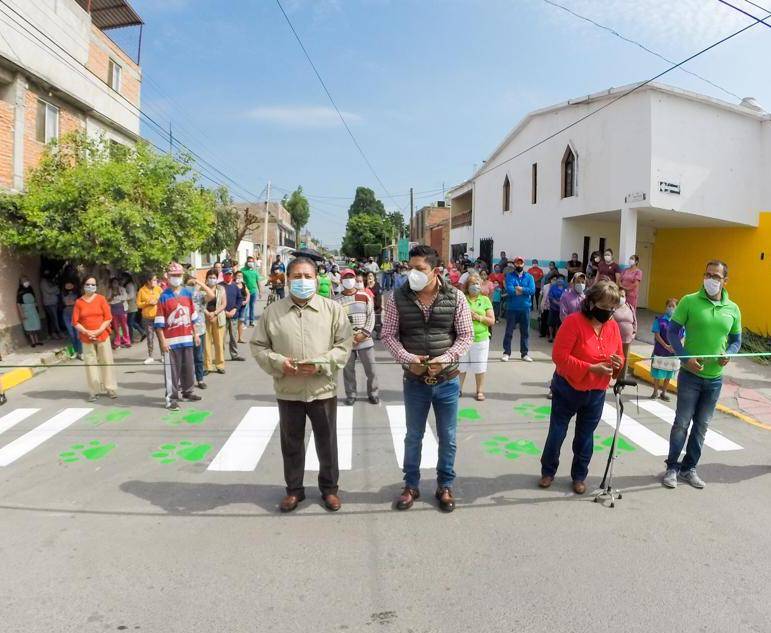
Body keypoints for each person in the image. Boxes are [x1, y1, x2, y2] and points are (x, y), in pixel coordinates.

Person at [252, 255, 353, 513]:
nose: (303, 281)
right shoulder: (273, 312)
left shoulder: (332, 310)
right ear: (287, 280)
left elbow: (344, 346)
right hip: (289, 390)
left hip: (322, 389)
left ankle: (329, 490)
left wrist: (321, 363)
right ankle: (294, 491)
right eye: (297, 276)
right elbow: (259, 346)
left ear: (316, 278)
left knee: (327, 442)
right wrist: (277, 363)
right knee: (292, 442)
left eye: (308, 276)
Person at [381, 245, 473, 513]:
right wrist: (408, 358)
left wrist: (446, 358)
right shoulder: (398, 297)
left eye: (420, 269)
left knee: (448, 436)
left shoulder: (455, 296)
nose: (413, 274)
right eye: (411, 268)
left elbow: (466, 335)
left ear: (435, 270)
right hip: (415, 381)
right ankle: (411, 485)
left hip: (447, 379)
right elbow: (388, 335)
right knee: (413, 436)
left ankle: (445, 485)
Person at [662, 260, 742, 490]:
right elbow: (672, 331)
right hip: (690, 375)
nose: (710, 279)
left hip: (715, 378)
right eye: (707, 274)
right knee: (681, 423)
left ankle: (689, 468)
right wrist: (685, 357)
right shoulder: (689, 301)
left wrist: (730, 353)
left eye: (716, 276)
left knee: (702, 426)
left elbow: (736, 340)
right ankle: (671, 468)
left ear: (725, 281)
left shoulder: (733, 309)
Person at [539, 280, 624, 494]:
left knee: (586, 437)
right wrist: (590, 368)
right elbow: (559, 357)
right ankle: (548, 471)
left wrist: (617, 363)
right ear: (591, 302)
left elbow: (620, 355)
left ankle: (579, 476)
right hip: (567, 388)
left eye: (612, 308)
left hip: (596, 392)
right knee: (557, 433)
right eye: (604, 307)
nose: (608, 313)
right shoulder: (573, 322)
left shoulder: (612, 326)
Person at [154, 263, 202, 411]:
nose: (176, 278)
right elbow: (159, 324)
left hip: (187, 338)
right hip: (171, 341)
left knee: (188, 368)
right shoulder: (163, 297)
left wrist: (196, 334)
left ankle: (188, 392)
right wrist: (162, 342)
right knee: (172, 372)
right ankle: (171, 398)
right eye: (173, 275)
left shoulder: (187, 294)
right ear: (167, 277)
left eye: (179, 275)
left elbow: (192, 316)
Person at [335, 268, 379, 406]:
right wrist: (348, 338)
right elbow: (335, 322)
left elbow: (371, 316)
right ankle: (351, 394)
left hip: (365, 340)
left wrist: (364, 333)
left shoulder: (364, 296)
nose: (349, 280)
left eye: (351, 277)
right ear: (341, 281)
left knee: (371, 370)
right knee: (348, 371)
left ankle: (373, 393)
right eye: (345, 278)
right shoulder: (336, 300)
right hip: (347, 342)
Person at [72, 276, 117, 402]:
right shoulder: (79, 302)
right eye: (88, 284)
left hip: (102, 335)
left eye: (93, 284)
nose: (90, 287)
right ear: (83, 285)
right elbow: (75, 322)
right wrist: (87, 332)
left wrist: (98, 331)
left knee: (106, 361)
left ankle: (110, 388)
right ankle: (94, 391)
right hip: (86, 337)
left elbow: (108, 318)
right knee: (90, 364)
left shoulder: (101, 299)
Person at [459, 272, 494, 401]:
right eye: (473, 284)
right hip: (463, 338)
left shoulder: (485, 300)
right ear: (467, 286)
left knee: (479, 366)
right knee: (461, 367)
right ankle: (458, 389)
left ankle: (479, 391)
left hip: (480, 339)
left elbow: (491, 320)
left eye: (477, 284)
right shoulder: (461, 298)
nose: (475, 286)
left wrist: (478, 317)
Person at [501, 256, 535, 363]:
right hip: (512, 308)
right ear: (514, 264)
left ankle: (524, 353)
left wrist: (520, 289)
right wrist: (524, 291)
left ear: (523, 264)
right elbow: (510, 290)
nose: (519, 265)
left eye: (521, 263)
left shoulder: (529, 277)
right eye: (517, 263)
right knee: (509, 331)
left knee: (525, 332)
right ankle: (506, 353)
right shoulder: (510, 276)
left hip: (525, 308)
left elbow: (532, 290)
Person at [186, 275, 215, 390]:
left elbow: (212, 295)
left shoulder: (200, 296)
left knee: (198, 357)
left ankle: (200, 379)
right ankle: (187, 380)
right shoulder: (184, 296)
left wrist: (200, 283)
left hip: (199, 330)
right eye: (190, 285)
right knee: (187, 359)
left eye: (193, 285)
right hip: (186, 332)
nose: (192, 287)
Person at [650, 298, 679, 401]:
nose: (671, 308)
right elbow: (657, 335)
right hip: (660, 351)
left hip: (673, 352)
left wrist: (675, 347)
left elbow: (682, 336)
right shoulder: (659, 320)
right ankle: (655, 392)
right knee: (657, 372)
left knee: (669, 373)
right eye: (669, 306)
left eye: (673, 306)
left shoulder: (679, 322)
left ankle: (664, 392)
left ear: (677, 308)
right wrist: (666, 346)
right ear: (666, 307)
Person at [203, 268, 227, 375]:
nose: (212, 279)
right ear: (206, 278)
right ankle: (208, 366)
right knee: (206, 343)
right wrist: (207, 313)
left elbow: (224, 304)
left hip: (218, 317)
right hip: (205, 318)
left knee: (219, 342)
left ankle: (220, 364)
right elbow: (198, 304)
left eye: (214, 277)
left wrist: (215, 313)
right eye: (210, 277)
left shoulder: (221, 289)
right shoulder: (202, 289)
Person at [220, 267, 246, 362]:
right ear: (223, 275)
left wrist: (235, 309)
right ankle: (220, 356)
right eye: (226, 274)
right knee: (221, 338)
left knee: (233, 337)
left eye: (230, 274)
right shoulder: (220, 286)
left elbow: (240, 299)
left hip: (234, 315)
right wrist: (224, 311)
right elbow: (217, 301)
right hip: (222, 315)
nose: (228, 276)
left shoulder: (235, 286)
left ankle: (234, 354)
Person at [136, 274, 162, 364]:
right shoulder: (142, 291)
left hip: (158, 317)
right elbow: (138, 304)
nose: (156, 281)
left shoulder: (158, 289)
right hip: (147, 318)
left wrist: (158, 300)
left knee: (160, 337)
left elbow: (164, 299)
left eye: (156, 280)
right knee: (150, 337)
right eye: (154, 280)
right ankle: (150, 356)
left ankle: (163, 355)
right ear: (148, 281)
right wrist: (147, 303)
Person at [612, 287, 637, 378]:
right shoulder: (612, 307)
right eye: (619, 295)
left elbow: (634, 322)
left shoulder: (630, 307)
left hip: (627, 339)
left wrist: (633, 334)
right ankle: (613, 377)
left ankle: (622, 380)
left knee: (625, 359)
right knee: (615, 359)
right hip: (615, 339)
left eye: (623, 295)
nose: (621, 297)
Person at [17, 277, 42, 347]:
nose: (26, 282)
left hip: (33, 310)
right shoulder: (20, 291)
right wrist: (22, 313)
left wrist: (37, 308)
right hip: (26, 311)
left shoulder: (30, 289)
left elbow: (35, 299)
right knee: (29, 326)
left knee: (35, 324)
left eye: (27, 280)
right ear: (21, 283)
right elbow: (18, 304)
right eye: (24, 281)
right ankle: (33, 342)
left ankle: (37, 341)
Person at [107, 277, 131, 349]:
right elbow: (108, 299)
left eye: (116, 282)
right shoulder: (109, 290)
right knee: (116, 326)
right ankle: (117, 342)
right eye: (113, 282)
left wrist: (117, 298)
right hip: (113, 309)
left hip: (122, 309)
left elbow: (125, 298)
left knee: (124, 326)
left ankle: (127, 341)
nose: (115, 284)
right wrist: (113, 296)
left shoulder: (122, 289)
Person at [61, 280, 82, 359]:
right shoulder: (63, 294)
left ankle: (81, 352)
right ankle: (75, 352)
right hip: (66, 314)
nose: (68, 285)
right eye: (67, 284)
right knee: (72, 334)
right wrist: (72, 302)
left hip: (76, 313)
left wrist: (72, 302)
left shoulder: (77, 294)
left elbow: (77, 303)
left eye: (70, 284)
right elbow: (65, 303)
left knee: (77, 334)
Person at [40, 270, 64, 340]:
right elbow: (49, 290)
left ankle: (56, 333)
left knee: (54, 319)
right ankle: (57, 333)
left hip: (53, 302)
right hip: (49, 303)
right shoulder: (43, 282)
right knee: (54, 319)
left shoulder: (49, 281)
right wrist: (56, 288)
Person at [122, 273, 144, 343]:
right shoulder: (132, 284)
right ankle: (141, 333)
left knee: (130, 323)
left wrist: (123, 298)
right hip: (132, 305)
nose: (122, 280)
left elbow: (131, 295)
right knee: (131, 323)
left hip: (131, 305)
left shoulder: (129, 285)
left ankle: (135, 336)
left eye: (123, 278)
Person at [241, 256, 261, 326]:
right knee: (245, 307)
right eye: (249, 261)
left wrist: (260, 291)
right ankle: (244, 322)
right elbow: (240, 280)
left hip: (253, 291)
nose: (250, 263)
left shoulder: (255, 272)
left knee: (252, 306)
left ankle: (251, 321)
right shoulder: (242, 270)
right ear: (246, 262)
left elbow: (258, 282)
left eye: (251, 261)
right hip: (246, 292)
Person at [547, 275, 566, 342]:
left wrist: (562, 304)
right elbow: (551, 297)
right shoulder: (553, 287)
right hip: (553, 308)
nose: (560, 281)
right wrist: (558, 303)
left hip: (562, 309)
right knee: (551, 322)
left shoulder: (566, 288)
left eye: (562, 279)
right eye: (559, 279)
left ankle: (557, 337)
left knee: (559, 323)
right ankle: (551, 336)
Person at [234, 270, 251, 344]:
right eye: (238, 276)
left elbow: (248, 294)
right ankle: (233, 338)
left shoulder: (244, 285)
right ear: (235, 276)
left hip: (243, 306)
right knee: (233, 322)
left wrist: (246, 301)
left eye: (241, 276)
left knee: (240, 322)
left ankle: (240, 338)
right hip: (234, 306)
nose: (239, 277)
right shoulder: (233, 284)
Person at [365, 271, 383, 339]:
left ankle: (379, 333)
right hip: (369, 307)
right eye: (368, 276)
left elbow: (382, 295)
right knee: (369, 321)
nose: (370, 277)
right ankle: (368, 333)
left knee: (378, 321)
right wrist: (367, 286)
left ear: (374, 277)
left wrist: (383, 304)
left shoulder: (377, 285)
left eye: (371, 276)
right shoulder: (365, 286)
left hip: (377, 306)